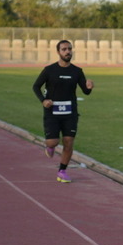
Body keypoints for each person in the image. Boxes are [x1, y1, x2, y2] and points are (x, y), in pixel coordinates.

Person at [32, 40, 94, 183]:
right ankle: (50, 147)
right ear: (58, 52)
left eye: (69, 49)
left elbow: (86, 91)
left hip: (70, 112)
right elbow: (36, 86)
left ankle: (62, 171)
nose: (67, 52)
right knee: (53, 142)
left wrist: (89, 86)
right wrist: (43, 100)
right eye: (64, 49)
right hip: (52, 111)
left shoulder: (77, 71)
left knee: (68, 141)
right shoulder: (49, 70)